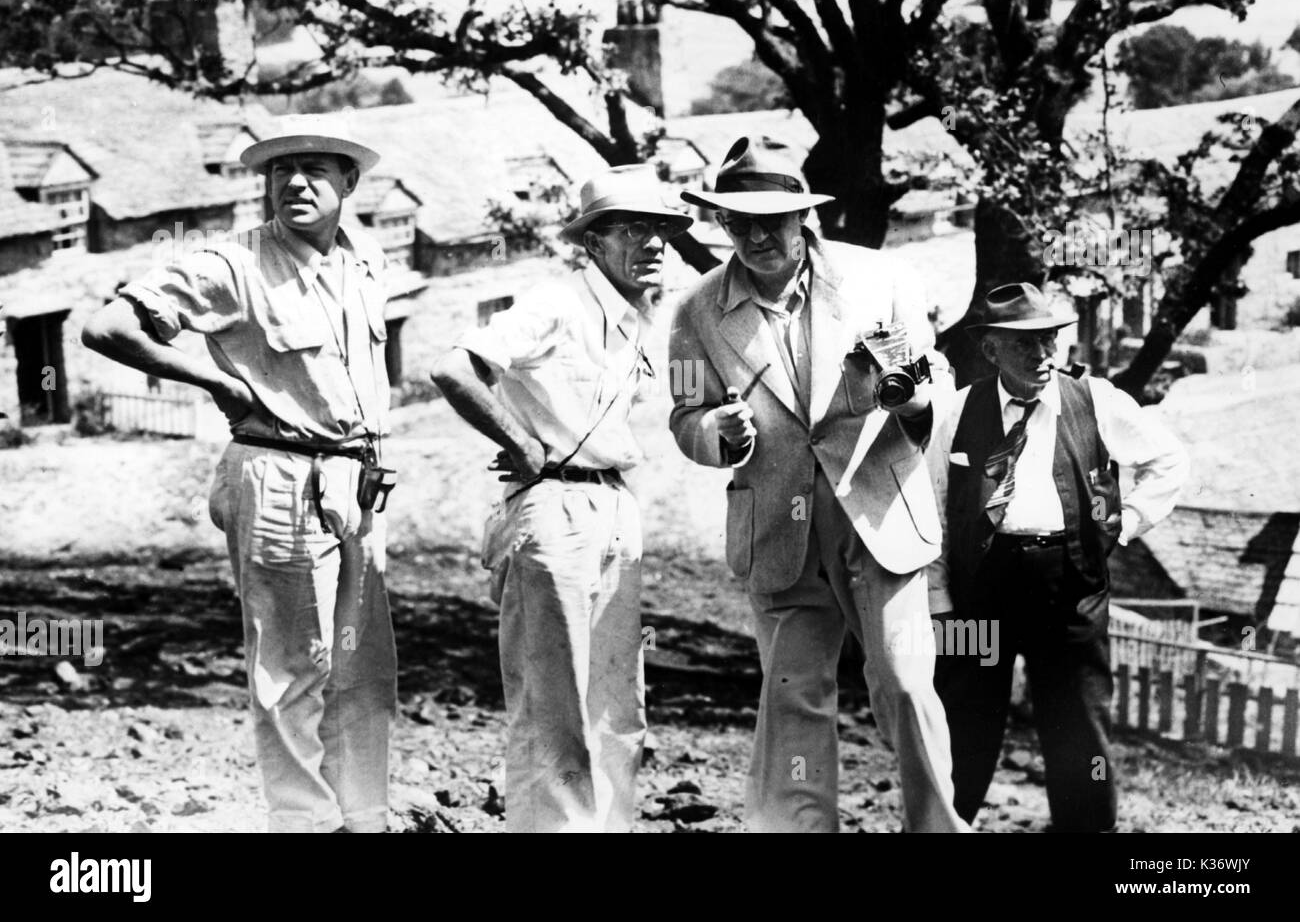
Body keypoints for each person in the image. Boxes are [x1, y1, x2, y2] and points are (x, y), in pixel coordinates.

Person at [82, 115, 398, 833]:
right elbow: (107, 328)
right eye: (279, 170)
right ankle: (303, 823)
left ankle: (364, 817)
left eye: (317, 168)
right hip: (280, 472)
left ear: (350, 182)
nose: (296, 181)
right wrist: (212, 381)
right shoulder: (232, 264)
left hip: (357, 481)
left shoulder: (365, 259)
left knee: (362, 663)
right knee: (291, 669)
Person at [668, 136, 967, 833]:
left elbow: (937, 381)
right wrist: (717, 431)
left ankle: (939, 829)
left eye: (773, 219)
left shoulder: (882, 279)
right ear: (719, 223)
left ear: (805, 216)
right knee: (795, 697)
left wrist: (912, 403)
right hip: (776, 529)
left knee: (903, 684)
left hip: (880, 513)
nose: (756, 236)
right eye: (738, 222)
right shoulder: (695, 314)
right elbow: (684, 415)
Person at [431, 165, 692, 832]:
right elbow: (453, 368)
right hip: (554, 511)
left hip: (612, 509)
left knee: (617, 709)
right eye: (635, 230)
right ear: (594, 241)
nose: (654, 244)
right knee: (556, 709)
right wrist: (522, 445)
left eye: (662, 230)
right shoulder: (556, 302)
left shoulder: (635, 317)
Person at [927, 282, 1189, 831]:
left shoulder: (1095, 400)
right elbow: (928, 512)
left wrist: (1126, 525)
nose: (1044, 355)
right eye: (1025, 343)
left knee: (1081, 735)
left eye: (1051, 339)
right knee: (960, 728)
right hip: (977, 598)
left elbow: (1169, 461)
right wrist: (940, 604)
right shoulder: (955, 412)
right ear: (992, 350)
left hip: (1071, 591)